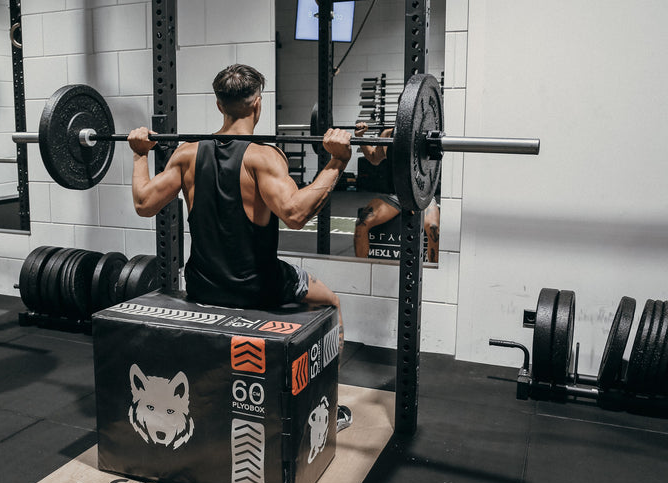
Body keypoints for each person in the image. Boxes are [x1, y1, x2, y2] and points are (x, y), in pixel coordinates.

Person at [127, 64, 354, 430]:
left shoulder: (186, 154)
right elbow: (296, 214)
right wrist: (338, 161)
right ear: (258, 104)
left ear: (219, 105)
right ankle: (329, 410)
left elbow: (143, 203)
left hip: (202, 286)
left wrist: (140, 153)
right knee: (331, 302)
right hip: (259, 289)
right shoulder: (264, 158)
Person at [353, 121, 441, 262]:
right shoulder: (389, 134)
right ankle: (361, 268)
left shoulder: (427, 134)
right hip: (396, 196)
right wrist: (359, 137)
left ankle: (433, 272)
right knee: (361, 224)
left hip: (422, 196)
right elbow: (374, 158)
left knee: (433, 228)